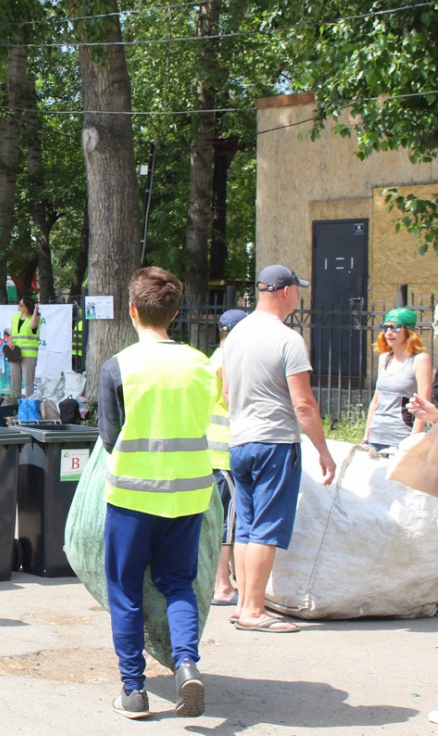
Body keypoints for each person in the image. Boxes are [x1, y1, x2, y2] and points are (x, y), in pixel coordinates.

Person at [98, 267, 217, 719]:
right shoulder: (201, 364)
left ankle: (134, 691)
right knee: (178, 583)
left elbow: (109, 437)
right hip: (188, 496)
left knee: (126, 591)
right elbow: (202, 421)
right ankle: (186, 663)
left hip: (132, 497)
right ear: (177, 312)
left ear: (132, 310)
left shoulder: (119, 366)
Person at [224, 264, 336, 634]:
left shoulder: (237, 334)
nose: (300, 295)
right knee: (266, 529)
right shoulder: (287, 339)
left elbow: (226, 391)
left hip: (239, 441)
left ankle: (243, 605)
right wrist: (323, 450)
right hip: (274, 442)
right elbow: (303, 403)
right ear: (286, 291)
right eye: (298, 289)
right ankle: (255, 610)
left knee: (247, 526)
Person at [208, 308, 247, 607]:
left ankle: (215, 579)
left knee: (214, 518)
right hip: (225, 452)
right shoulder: (230, 361)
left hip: (208, 450)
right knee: (227, 521)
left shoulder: (213, 357)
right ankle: (222, 585)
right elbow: (231, 399)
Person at [362, 307, 432, 451]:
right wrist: (366, 438)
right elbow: (376, 401)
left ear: (409, 331)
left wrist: (411, 444)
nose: (389, 332)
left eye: (395, 327)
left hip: (401, 439)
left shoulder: (420, 360)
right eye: (386, 327)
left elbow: (423, 405)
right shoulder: (384, 359)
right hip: (376, 437)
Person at [6, 296, 41, 399]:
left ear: (27, 307)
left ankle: (28, 406)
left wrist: (35, 311)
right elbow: (12, 333)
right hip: (15, 352)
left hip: (29, 354)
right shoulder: (16, 317)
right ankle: (15, 405)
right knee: (15, 382)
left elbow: (32, 326)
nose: (18, 306)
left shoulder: (35, 318)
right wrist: (10, 341)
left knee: (28, 383)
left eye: (21, 305)